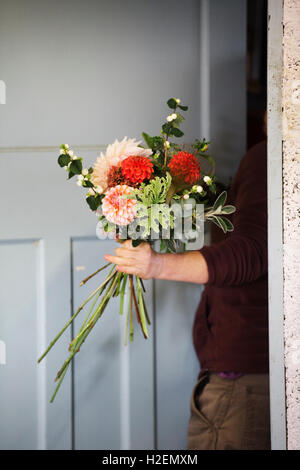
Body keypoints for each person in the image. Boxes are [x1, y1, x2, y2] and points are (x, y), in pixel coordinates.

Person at [104, 138, 270, 450]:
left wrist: (155, 265)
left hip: (245, 377)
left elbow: (251, 253)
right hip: (256, 368)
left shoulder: (269, 156)